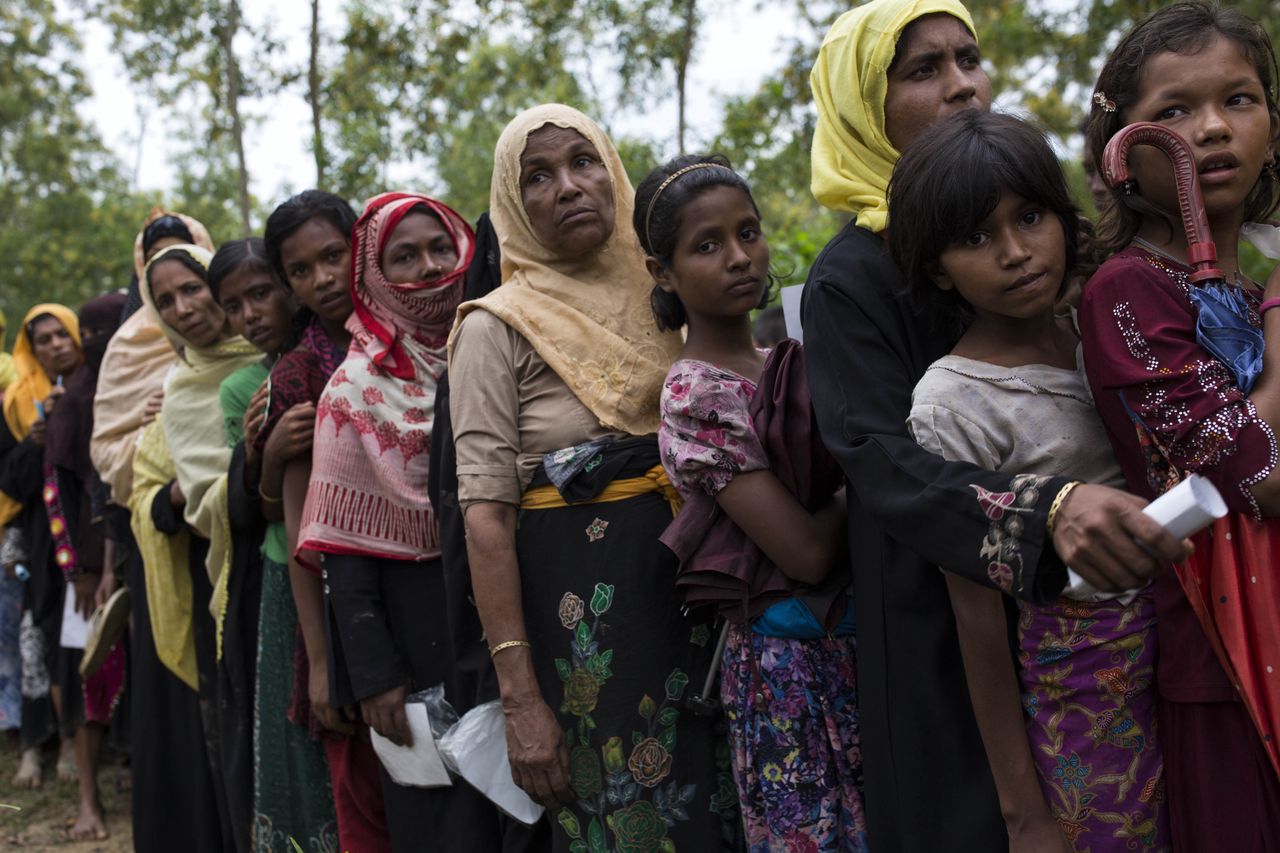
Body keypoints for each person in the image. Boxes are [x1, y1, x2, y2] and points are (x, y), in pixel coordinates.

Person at [800, 0, 1189, 848]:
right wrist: (1044, 508)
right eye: (923, 70)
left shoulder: (1069, 264)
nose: (961, 85)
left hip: (1114, 627)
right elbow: (884, 461)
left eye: (967, 58)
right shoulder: (850, 279)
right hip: (943, 609)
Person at [449, 104, 739, 852]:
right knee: (628, 818)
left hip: (710, 603)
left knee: (728, 808)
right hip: (589, 635)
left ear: (612, 170)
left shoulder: (669, 294)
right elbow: (483, 518)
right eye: (537, 176)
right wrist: (519, 699)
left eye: (583, 163)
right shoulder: (493, 327)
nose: (568, 187)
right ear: (513, 204)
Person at [893, 112, 1168, 851]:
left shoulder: (1105, 323)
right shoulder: (953, 402)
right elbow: (979, 621)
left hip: (1191, 636)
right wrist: (1024, 813)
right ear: (937, 267)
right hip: (1085, 679)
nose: (1015, 252)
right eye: (977, 237)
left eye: (1032, 216)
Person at [1079, 4, 1280, 848]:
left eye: (1239, 99)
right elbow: (1256, 474)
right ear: (1122, 149)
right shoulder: (1128, 291)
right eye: (1172, 112)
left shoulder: (1259, 276)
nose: (1210, 129)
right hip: (1222, 657)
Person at [642, 154, 866, 852]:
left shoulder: (783, 360)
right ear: (663, 273)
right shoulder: (695, 394)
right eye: (707, 245)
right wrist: (867, 476)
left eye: (749, 232)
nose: (740, 257)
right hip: (790, 671)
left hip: (860, 646)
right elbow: (803, 550)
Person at [295, 191, 500, 850]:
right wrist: (376, 675)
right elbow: (344, 558)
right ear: (375, 276)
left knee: (518, 805)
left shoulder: (494, 353)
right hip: (413, 635)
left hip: (499, 618)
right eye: (404, 256)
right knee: (442, 820)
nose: (428, 267)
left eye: (441, 247)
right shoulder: (351, 393)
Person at [258, 190, 390, 853]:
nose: (323, 279)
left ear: (361, 245)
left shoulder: (420, 334)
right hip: (345, 617)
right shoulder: (300, 374)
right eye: (302, 270)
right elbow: (301, 526)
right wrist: (316, 662)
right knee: (365, 798)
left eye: (333, 255)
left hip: (436, 597)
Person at [209, 238, 339, 852]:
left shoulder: (344, 353)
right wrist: (268, 451)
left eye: (261, 294)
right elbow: (263, 510)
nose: (252, 314)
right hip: (288, 574)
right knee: (302, 734)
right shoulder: (243, 389)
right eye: (233, 307)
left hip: (361, 565)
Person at [130, 243, 256, 853]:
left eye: (193, 288)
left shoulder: (281, 348)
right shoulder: (177, 392)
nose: (183, 308)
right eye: (165, 301)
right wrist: (180, 498)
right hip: (227, 581)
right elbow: (149, 491)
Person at [43, 292, 128, 840]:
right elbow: (57, 491)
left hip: (126, 561)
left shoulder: (122, 389)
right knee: (90, 682)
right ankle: (88, 804)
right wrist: (79, 570)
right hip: (90, 574)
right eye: (93, 335)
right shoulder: (74, 401)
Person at [0, 304, 83, 790]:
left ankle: (76, 740)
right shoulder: (14, 403)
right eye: (42, 341)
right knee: (39, 636)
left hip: (87, 538)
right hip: (39, 541)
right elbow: (10, 482)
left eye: (61, 335)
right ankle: (34, 746)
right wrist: (34, 442)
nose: (55, 345)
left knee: (79, 641)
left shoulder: (94, 386)